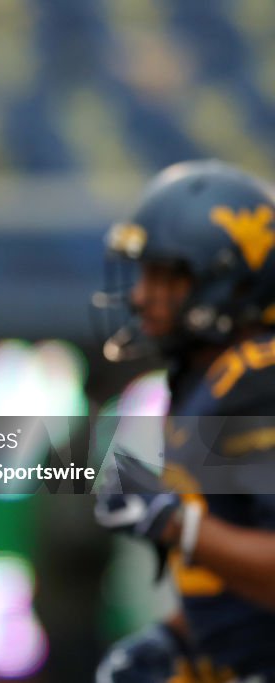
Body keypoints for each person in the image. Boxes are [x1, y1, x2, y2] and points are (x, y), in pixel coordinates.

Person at [93, 160, 275, 681]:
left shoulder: (260, 380)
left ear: (230, 281)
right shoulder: (206, 375)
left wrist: (177, 524)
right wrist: (182, 638)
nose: (140, 295)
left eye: (165, 276)